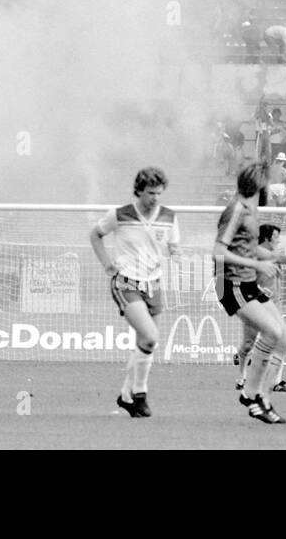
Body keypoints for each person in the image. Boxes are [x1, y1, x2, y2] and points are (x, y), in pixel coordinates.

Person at [89, 166, 178, 418]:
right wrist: (107, 264)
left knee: (145, 343)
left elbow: (172, 244)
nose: (155, 198)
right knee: (150, 337)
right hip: (126, 282)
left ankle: (126, 396)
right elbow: (95, 235)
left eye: (159, 193)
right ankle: (140, 394)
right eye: (151, 193)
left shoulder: (169, 217)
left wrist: (175, 252)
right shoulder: (120, 214)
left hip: (154, 284)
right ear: (139, 191)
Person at [214, 163, 286, 424]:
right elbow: (219, 252)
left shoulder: (250, 209)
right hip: (230, 284)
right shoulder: (236, 209)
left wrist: (278, 258)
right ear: (258, 184)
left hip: (246, 283)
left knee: (284, 337)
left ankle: (258, 395)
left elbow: (249, 247)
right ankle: (255, 397)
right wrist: (258, 265)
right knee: (271, 333)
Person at [234, 222, 286, 396]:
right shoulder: (254, 257)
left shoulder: (276, 257)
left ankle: (276, 382)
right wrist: (258, 289)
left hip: (274, 306)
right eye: (276, 237)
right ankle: (241, 377)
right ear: (267, 238)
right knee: (248, 344)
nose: (278, 241)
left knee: (281, 340)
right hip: (255, 305)